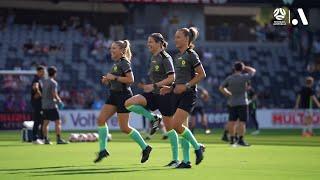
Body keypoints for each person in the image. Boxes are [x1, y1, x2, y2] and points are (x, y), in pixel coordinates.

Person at [125, 33, 179, 167]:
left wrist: (154, 85)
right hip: (154, 94)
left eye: (151, 42)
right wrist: (149, 87)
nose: (148, 44)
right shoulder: (154, 57)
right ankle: (154, 118)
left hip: (165, 95)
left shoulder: (165, 57)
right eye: (148, 42)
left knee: (170, 128)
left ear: (159, 43)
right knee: (129, 103)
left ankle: (175, 159)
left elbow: (172, 78)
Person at [94, 40, 152, 163]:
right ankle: (103, 150)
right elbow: (117, 80)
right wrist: (108, 81)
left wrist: (113, 77)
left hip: (123, 96)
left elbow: (131, 80)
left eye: (114, 48)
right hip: (113, 95)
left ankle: (145, 147)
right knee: (100, 120)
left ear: (121, 51)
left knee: (124, 128)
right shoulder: (117, 63)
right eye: (111, 48)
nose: (111, 50)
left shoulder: (125, 62)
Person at [160, 27, 206, 168]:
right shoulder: (177, 56)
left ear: (187, 39)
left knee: (176, 125)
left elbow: (202, 74)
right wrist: (171, 88)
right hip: (176, 94)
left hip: (188, 94)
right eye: (175, 37)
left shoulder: (191, 54)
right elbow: (179, 80)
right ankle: (186, 161)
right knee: (182, 128)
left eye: (179, 37)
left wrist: (186, 86)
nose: (175, 39)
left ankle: (197, 147)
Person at [219, 61, 256, 146]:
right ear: (241, 69)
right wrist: (245, 67)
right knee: (242, 122)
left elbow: (221, 87)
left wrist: (226, 93)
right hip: (243, 102)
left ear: (234, 69)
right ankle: (240, 140)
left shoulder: (229, 78)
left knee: (232, 121)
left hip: (232, 102)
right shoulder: (244, 77)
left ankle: (232, 140)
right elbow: (253, 71)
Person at [41, 66, 68, 145]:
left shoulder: (44, 81)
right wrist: (59, 101)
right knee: (58, 122)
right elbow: (54, 93)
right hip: (51, 105)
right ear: (54, 73)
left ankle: (46, 139)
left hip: (44, 105)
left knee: (45, 123)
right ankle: (58, 139)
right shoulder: (53, 83)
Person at [31, 65, 45, 144]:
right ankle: (34, 139)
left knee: (41, 121)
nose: (43, 73)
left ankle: (41, 138)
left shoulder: (39, 80)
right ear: (38, 72)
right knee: (37, 121)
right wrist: (40, 94)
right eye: (42, 72)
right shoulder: (36, 79)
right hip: (37, 104)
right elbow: (35, 87)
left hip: (39, 103)